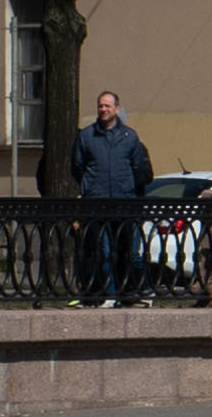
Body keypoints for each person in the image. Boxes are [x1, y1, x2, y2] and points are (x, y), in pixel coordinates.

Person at [68, 85, 158, 308]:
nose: (103, 109)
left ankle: (139, 291)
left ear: (117, 109)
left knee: (131, 253)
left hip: (125, 203)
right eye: (100, 106)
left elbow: (140, 169)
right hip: (97, 204)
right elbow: (77, 167)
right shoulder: (87, 136)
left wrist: (129, 189)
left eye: (107, 106)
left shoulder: (129, 137)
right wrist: (91, 188)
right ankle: (111, 294)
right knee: (104, 252)